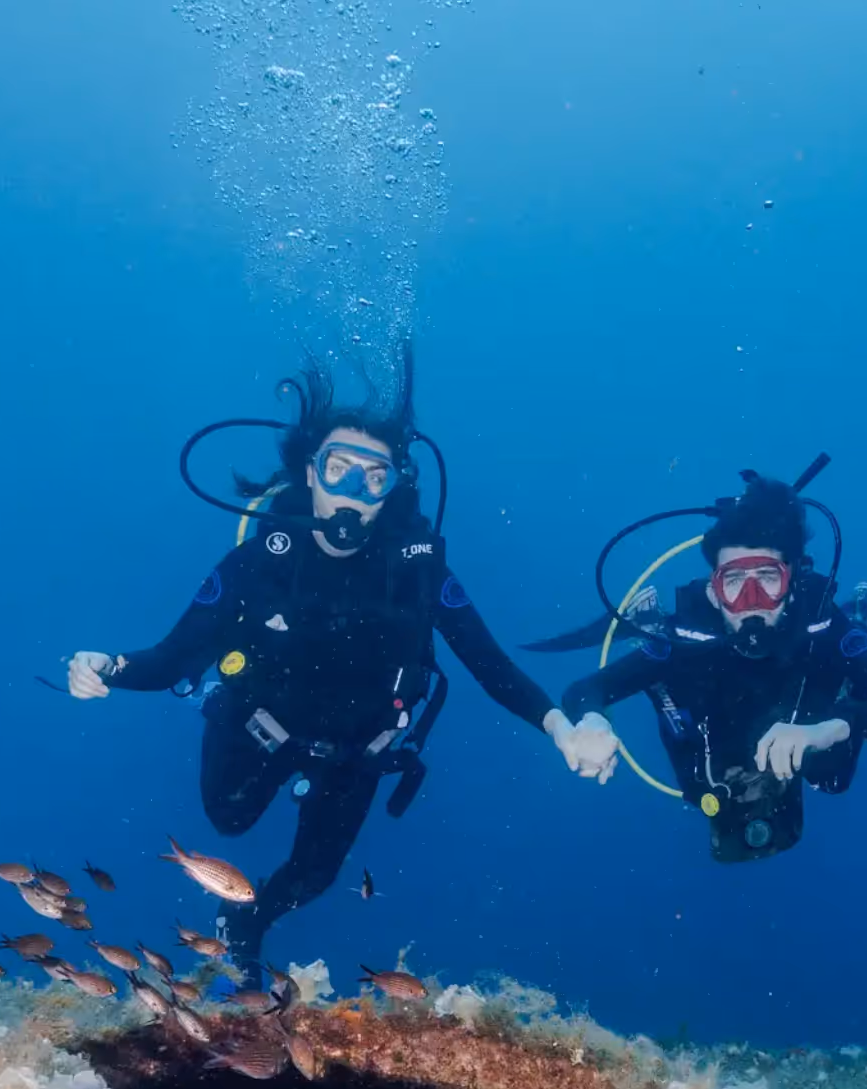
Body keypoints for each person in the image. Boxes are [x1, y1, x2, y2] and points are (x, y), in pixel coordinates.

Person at [66, 356, 615, 977]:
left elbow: (488, 662)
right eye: (338, 469)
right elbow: (168, 657)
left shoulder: (418, 570)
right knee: (229, 819)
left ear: (392, 490)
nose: (354, 492)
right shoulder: (259, 562)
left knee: (315, 876)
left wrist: (559, 726)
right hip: (255, 725)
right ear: (310, 473)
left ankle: (247, 921)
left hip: (357, 750)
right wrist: (108, 666)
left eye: (373, 478)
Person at [533, 474, 867, 863]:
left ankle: (865, 612)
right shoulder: (687, 642)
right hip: (703, 699)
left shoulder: (821, 628)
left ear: (793, 582)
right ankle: (648, 625)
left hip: (813, 710)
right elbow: (585, 690)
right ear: (713, 590)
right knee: (697, 784)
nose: (752, 600)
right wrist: (593, 719)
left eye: (769, 578)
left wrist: (835, 726)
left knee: (832, 777)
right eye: (734, 581)